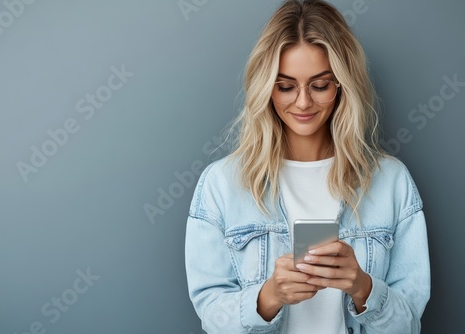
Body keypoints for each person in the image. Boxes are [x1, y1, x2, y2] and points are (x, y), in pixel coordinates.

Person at [184, 0, 431, 333]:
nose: (302, 102)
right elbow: (212, 318)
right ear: (266, 87)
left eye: (320, 85)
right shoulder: (222, 184)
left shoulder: (391, 182)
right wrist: (268, 297)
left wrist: (362, 287)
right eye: (285, 86)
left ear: (343, 85)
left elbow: (409, 325)